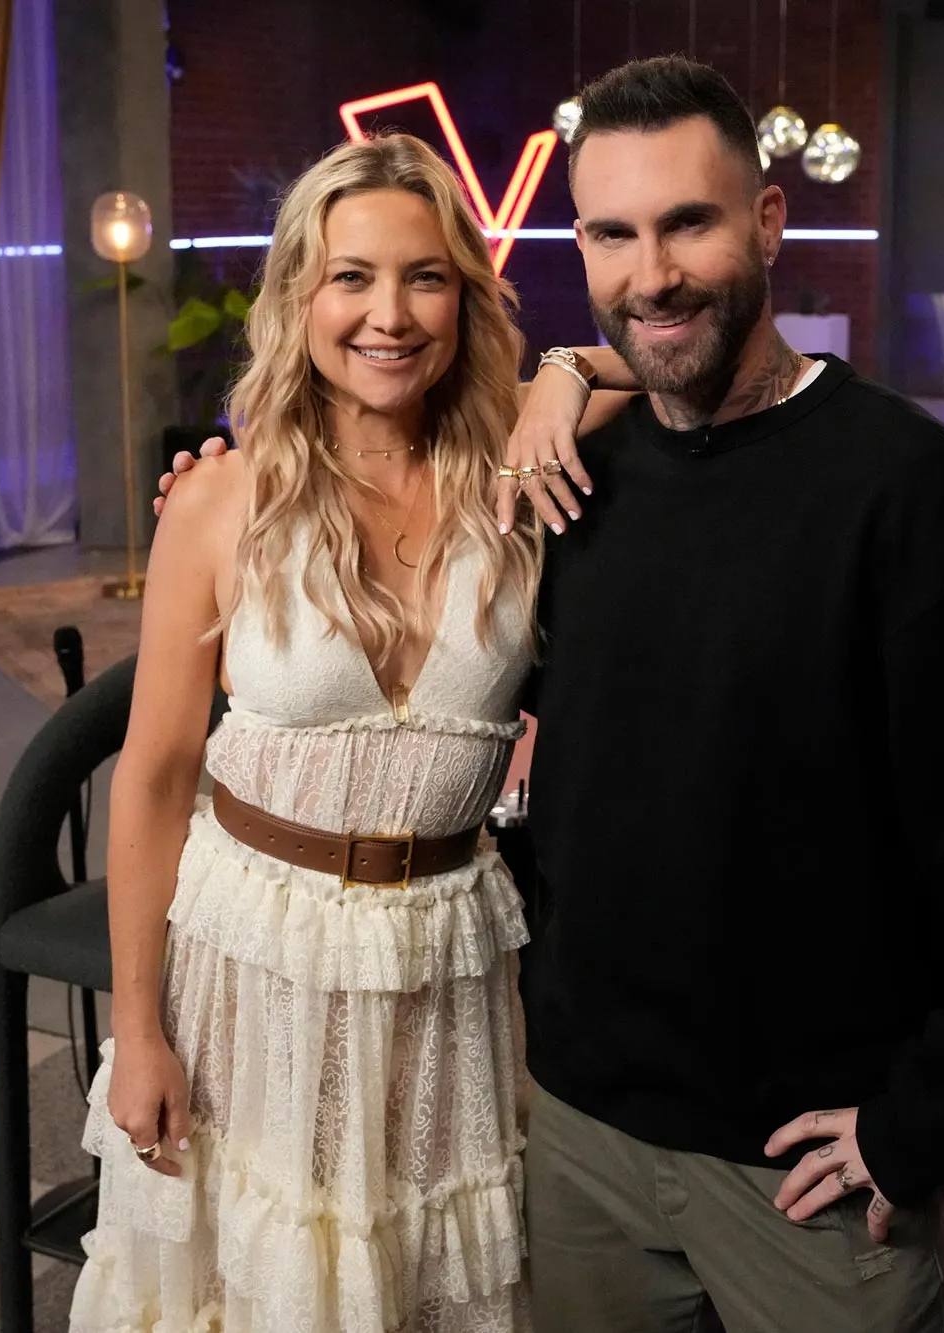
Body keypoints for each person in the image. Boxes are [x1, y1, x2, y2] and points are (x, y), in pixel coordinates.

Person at [161, 56, 944, 1333]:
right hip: (574, 1133)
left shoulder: (917, 496)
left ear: (768, 223)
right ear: (579, 248)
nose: (654, 273)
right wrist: (222, 494)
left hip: (802, 1167)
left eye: (689, 223)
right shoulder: (572, 486)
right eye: (614, 235)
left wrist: (926, 1114)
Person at [72, 132, 630, 1333]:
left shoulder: (519, 478)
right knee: (251, 1284)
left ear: (464, 300)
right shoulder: (220, 499)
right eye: (350, 278)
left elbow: (696, 363)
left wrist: (562, 374)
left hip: (443, 964)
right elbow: (155, 777)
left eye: (425, 277)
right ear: (297, 298)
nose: (389, 314)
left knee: (423, 1285)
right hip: (251, 965)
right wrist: (137, 1029)